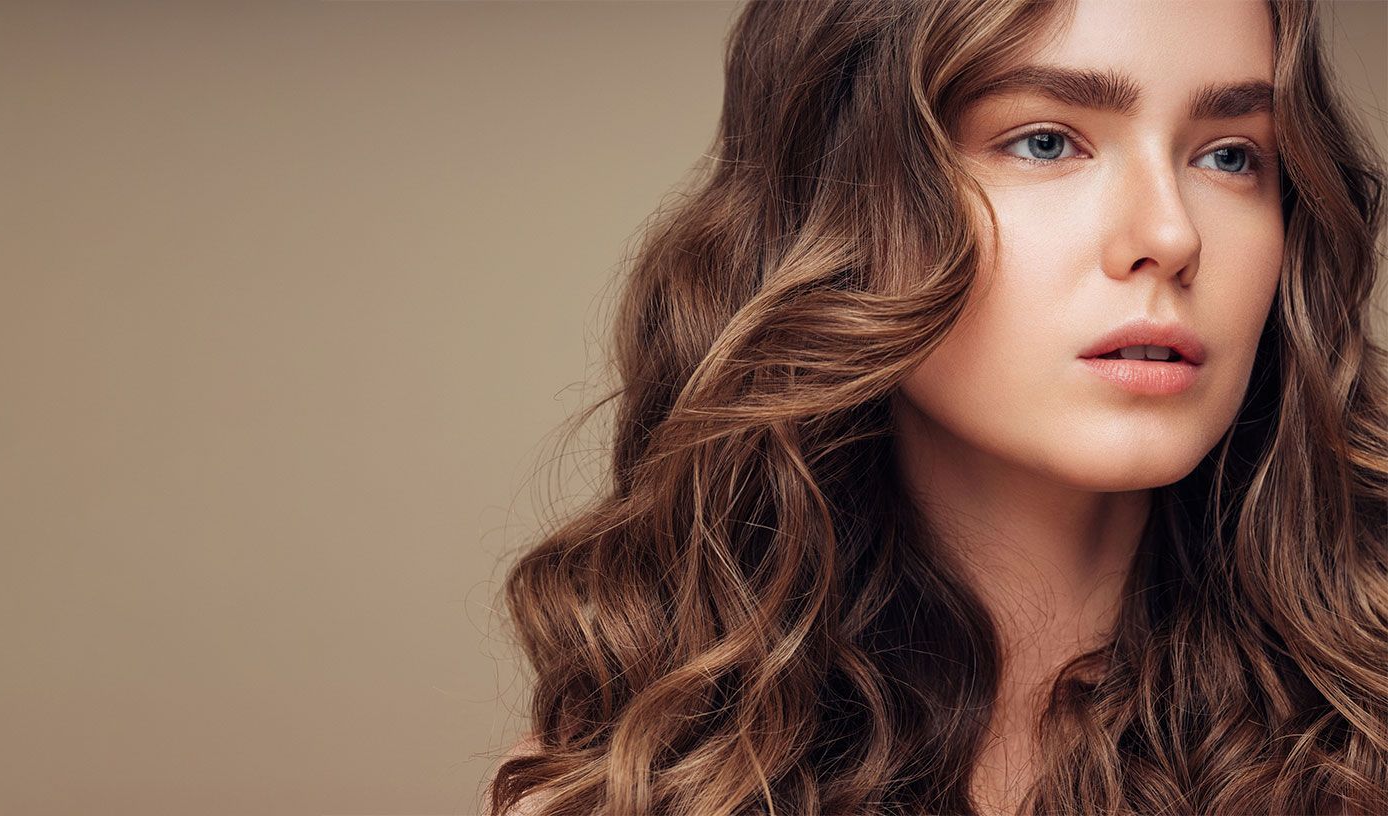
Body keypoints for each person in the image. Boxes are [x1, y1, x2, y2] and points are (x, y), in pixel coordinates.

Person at [482, 0, 1388, 813]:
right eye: (1045, 140)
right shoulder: (634, 783)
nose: (1170, 234)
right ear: (841, 201)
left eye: (1230, 156)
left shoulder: (1363, 741)